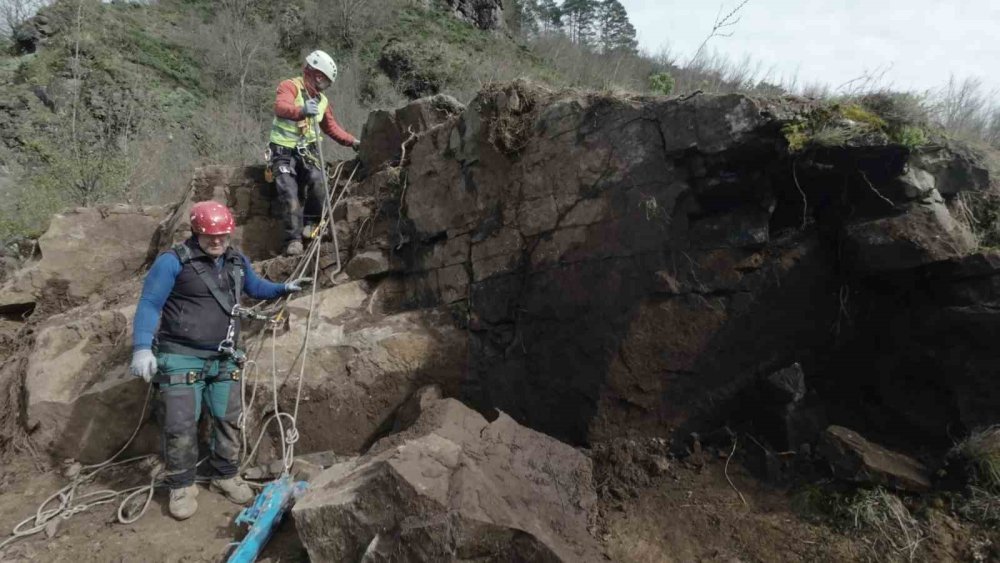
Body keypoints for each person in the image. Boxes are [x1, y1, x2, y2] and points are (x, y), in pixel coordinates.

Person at [128, 201, 309, 520]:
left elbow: (254, 287)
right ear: (196, 231)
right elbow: (150, 303)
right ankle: (182, 485)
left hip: (224, 358)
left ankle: (225, 474)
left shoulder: (236, 259)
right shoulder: (173, 263)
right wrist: (142, 347)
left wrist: (282, 288)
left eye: (223, 235)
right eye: (210, 236)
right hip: (181, 356)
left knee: (228, 418)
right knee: (181, 423)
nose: (217, 242)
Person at [270, 49, 360, 257]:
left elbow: (331, 127)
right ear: (318, 76)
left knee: (319, 182)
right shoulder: (290, 86)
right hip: (282, 152)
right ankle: (293, 240)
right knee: (289, 192)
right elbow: (280, 107)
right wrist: (300, 111)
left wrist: (352, 141)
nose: (326, 86)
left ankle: (311, 225)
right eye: (326, 82)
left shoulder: (322, 101)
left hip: (307, 153)